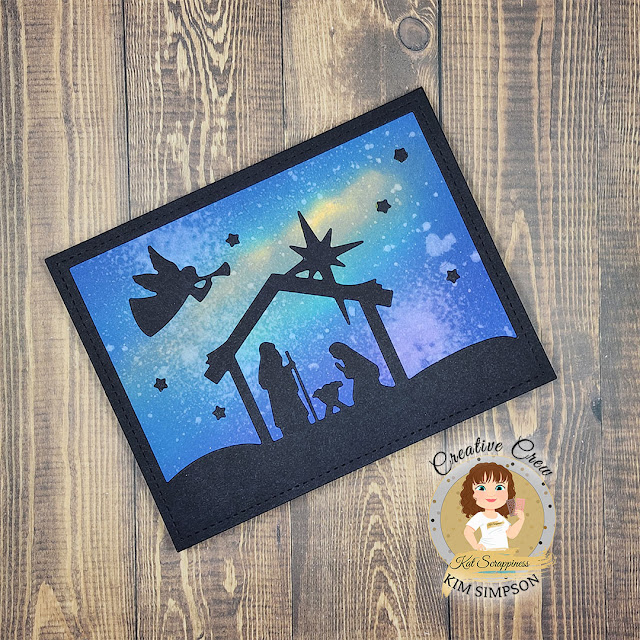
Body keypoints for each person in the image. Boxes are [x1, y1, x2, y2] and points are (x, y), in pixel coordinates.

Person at [460, 462, 525, 551]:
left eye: (499, 488)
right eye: (481, 488)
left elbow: (511, 534)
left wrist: (521, 520)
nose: (491, 494)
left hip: (503, 554)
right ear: (472, 493)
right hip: (486, 553)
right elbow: (468, 532)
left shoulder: (500, 517)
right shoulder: (480, 516)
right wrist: (476, 545)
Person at [258, 342, 309, 434]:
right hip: (280, 399)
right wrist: (287, 369)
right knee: (289, 423)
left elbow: (278, 370)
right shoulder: (265, 363)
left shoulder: (273, 356)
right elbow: (266, 381)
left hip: (290, 396)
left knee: (300, 419)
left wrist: (287, 369)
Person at [329, 342, 383, 407]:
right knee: (360, 399)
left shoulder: (349, 358)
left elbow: (350, 374)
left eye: (334, 354)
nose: (334, 356)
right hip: (365, 378)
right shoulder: (350, 357)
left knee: (360, 399)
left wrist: (342, 369)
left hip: (365, 379)